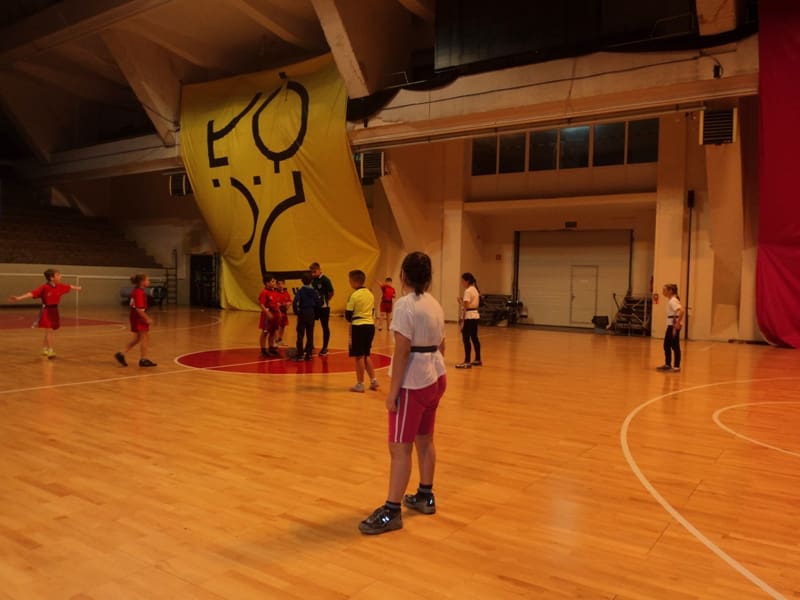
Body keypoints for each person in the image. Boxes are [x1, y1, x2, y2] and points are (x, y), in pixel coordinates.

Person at [359, 251, 446, 535]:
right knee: (425, 439)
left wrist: (392, 393)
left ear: (403, 275)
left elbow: (403, 350)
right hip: (435, 376)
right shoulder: (435, 304)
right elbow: (442, 346)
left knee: (399, 447)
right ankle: (425, 495)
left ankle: (392, 510)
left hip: (414, 382)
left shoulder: (405, 305)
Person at [8, 268, 82, 359]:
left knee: (48, 331)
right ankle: (50, 350)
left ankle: (44, 349)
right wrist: (19, 298)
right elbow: (32, 293)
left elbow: (69, 286)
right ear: (51, 278)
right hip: (47, 311)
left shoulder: (59, 286)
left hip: (55, 311)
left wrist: (77, 288)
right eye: (58, 275)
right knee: (49, 331)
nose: (60, 276)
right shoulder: (44, 287)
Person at [346, 270, 379, 392]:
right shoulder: (370, 294)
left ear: (354, 281)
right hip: (370, 326)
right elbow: (372, 311)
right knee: (366, 355)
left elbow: (348, 315)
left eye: (350, 280)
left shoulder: (354, 296)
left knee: (359, 356)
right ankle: (373, 380)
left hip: (358, 326)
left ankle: (360, 384)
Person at [114, 273, 156, 367]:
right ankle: (143, 359)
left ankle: (121, 353)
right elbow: (139, 309)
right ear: (142, 282)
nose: (149, 281)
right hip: (139, 317)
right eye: (147, 280)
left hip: (135, 316)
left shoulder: (136, 290)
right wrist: (147, 318)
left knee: (138, 338)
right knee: (145, 337)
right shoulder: (139, 292)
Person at [292, 271, 322, 361]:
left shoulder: (301, 291)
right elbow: (319, 302)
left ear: (302, 281)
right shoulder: (314, 291)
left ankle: (300, 354)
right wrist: (315, 311)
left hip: (302, 313)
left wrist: (296, 312)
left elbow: (295, 302)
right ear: (311, 280)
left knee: (300, 334)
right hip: (311, 313)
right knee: (310, 334)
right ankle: (309, 354)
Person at [455, 272, 482, 369]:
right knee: (474, 337)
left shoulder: (467, 291)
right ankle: (478, 359)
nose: (462, 283)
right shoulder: (475, 290)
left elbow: (466, 306)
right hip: (475, 315)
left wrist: (460, 302)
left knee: (466, 338)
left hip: (469, 316)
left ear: (466, 281)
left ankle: (467, 361)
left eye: (462, 281)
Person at [657, 283, 683, 372]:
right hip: (671, 325)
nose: (663, 292)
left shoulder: (673, 300)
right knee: (667, 345)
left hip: (673, 325)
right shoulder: (671, 300)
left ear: (670, 291)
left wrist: (677, 324)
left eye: (665, 290)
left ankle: (676, 367)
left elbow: (681, 310)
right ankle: (668, 364)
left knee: (675, 346)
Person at [309, 262, 334, 356]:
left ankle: (325, 348)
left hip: (324, 308)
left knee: (325, 326)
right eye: (311, 272)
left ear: (319, 270)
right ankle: (310, 345)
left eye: (314, 272)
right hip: (314, 307)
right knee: (310, 325)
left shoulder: (325, 280)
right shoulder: (312, 280)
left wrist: (325, 301)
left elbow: (331, 292)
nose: (313, 274)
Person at [258, 275, 280, 357]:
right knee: (265, 332)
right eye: (272, 281)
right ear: (267, 283)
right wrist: (267, 313)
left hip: (275, 314)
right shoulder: (264, 292)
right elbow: (261, 304)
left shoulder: (274, 291)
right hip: (267, 315)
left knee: (273, 331)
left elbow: (276, 304)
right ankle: (263, 349)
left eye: (274, 281)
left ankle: (271, 347)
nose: (274, 283)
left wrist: (279, 312)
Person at [275, 279, 292, 346]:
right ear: (276, 285)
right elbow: (274, 303)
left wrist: (288, 304)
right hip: (277, 313)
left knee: (283, 326)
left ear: (284, 284)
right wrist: (278, 305)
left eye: (281, 284)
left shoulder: (286, 293)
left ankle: (280, 339)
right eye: (278, 284)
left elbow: (290, 301)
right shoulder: (275, 293)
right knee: (277, 327)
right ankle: (276, 341)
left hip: (284, 313)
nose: (280, 285)